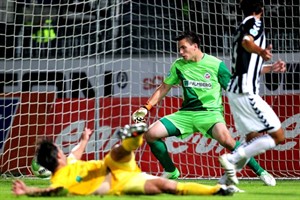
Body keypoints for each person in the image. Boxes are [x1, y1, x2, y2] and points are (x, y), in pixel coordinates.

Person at [132, 30, 275, 186]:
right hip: (186, 114)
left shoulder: (215, 64)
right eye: (179, 49)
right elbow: (164, 87)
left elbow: (234, 85)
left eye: (183, 48)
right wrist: (146, 107)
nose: (180, 52)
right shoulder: (179, 65)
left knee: (227, 141)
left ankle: (261, 172)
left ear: (195, 46)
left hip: (210, 114)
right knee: (151, 134)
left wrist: (261, 73)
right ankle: (171, 171)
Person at [12, 123, 235, 197]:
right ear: (57, 155)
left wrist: (84, 139)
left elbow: (75, 154)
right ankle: (216, 190)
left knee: (118, 152)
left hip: (111, 167)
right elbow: (54, 192)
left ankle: (133, 137)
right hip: (119, 182)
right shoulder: (61, 181)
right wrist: (29, 191)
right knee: (164, 185)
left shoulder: (64, 168)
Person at [218, 0, 286, 185]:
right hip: (246, 91)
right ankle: (231, 160)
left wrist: (270, 66)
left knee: (252, 141)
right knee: (278, 137)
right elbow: (248, 42)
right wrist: (261, 51)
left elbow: (248, 64)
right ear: (261, 10)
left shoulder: (239, 26)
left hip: (235, 90)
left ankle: (223, 182)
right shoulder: (254, 23)